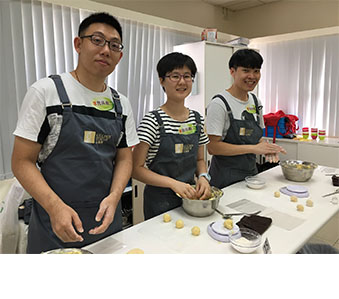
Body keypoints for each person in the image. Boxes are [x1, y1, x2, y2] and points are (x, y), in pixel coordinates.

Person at [11, 12, 139, 253]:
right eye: (97, 40)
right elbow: (21, 161)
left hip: (105, 222)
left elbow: (124, 157)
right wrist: (54, 206)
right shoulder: (47, 92)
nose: (105, 50)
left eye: (114, 45)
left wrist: (115, 196)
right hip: (55, 222)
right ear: (78, 44)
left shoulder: (120, 103)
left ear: (119, 56)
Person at [132, 52, 211, 220]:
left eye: (187, 76)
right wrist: (173, 184)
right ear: (162, 80)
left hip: (191, 198)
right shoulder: (152, 121)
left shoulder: (197, 120)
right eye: (175, 76)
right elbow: (136, 169)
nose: (182, 82)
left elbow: (199, 160)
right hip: (160, 202)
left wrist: (203, 177)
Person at [206, 49, 286, 189]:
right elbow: (213, 147)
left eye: (256, 71)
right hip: (224, 179)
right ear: (232, 71)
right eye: (246, 70)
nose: (252, 76)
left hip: (251, 175)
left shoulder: (256, 102)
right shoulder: (219, 103)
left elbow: (257, 137)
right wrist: (254, 148)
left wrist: (267, 147)